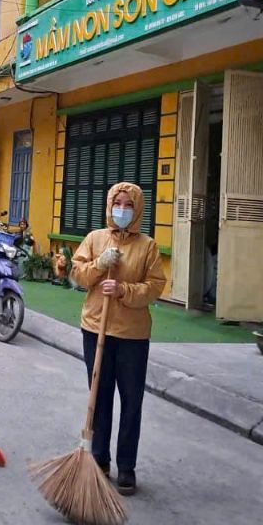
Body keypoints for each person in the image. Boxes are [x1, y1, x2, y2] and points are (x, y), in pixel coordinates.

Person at [70, 181, 166, 496]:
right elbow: (79, 274)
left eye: (128, 205)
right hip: (95, 327)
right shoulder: (95, 239)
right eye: (117, 203)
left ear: (137, 209)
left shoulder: (148, 246)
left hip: (132, 335)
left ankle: (126, 466)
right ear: (109, 204)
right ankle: (99, 458)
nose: (121, 209)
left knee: (131, 401)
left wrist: (123, 290)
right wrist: (100, 264)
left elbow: (155, 286)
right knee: (98, 398)